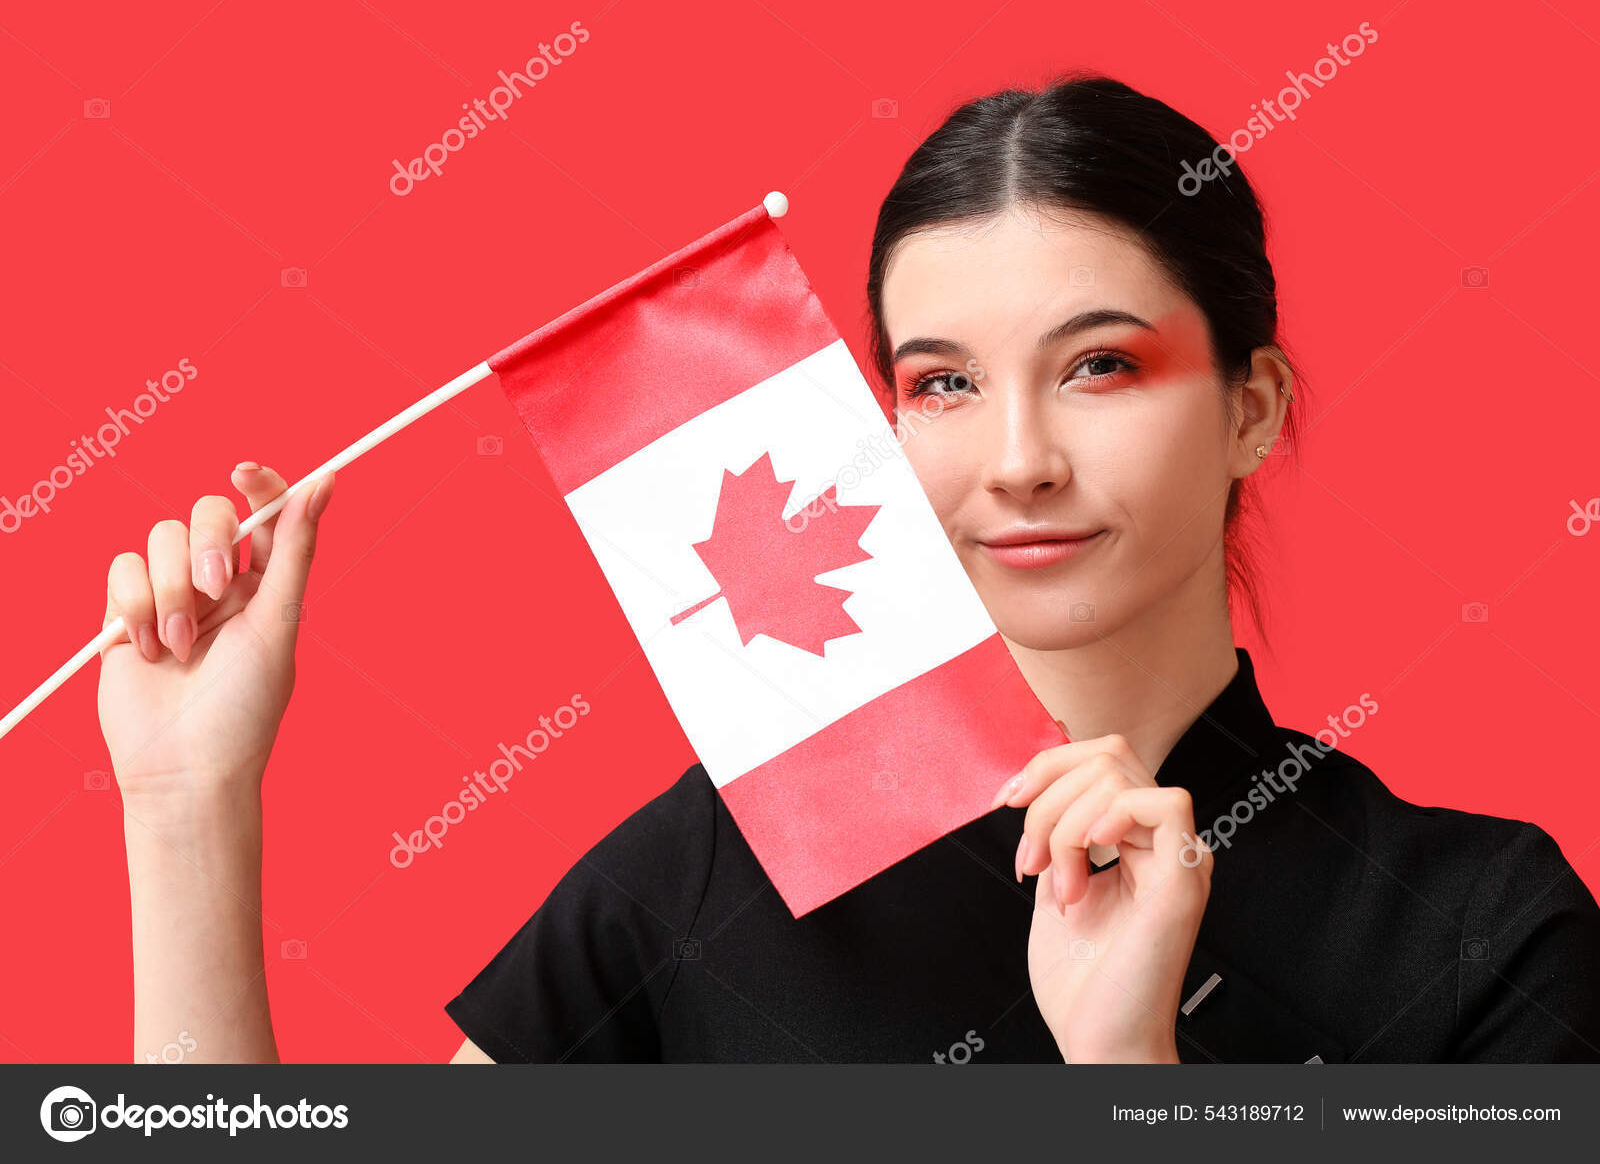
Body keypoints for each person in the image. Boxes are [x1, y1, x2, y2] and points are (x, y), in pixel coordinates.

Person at [99, 74, 1600, 1065]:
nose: (1016, 460)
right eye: (941, 385)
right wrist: (186, 812)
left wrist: (1133, 1082)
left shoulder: (1480, 932)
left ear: (1251, 407)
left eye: (1100, 367)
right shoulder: (720, 874)